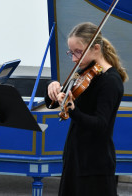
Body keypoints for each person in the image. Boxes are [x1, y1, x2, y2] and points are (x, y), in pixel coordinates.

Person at [44, 22, 128, 196]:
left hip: (94, 165)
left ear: (96, 48)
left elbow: (100, 124)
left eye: (78, 52)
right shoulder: (83, 72)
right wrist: (52, 88)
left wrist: (73, 111)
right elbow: (52, 102)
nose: (74, 59)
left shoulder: (111, 81)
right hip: (75, 157)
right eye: (71, 53)